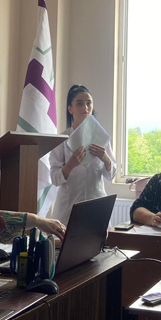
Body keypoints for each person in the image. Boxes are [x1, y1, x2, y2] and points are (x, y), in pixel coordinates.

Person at [50, 85, 116, 226]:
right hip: (68, 208)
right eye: (79, 103)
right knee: (65, 240)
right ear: (70, 109)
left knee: (98, 240)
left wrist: (106, 159)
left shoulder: (101, 138)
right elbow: (54, 179)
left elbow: (111, 175)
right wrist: (70, 165)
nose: (85, 107)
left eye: (88, 103)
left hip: (96, 205)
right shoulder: (61, 140)